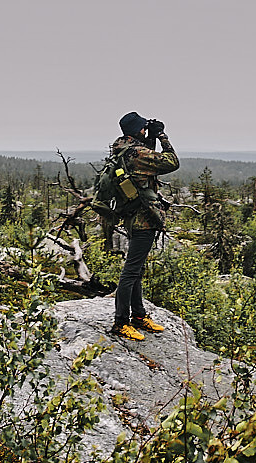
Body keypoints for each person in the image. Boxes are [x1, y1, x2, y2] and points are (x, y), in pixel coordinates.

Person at [107, 111, 177, 341]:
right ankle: (121, 322)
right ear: (139, 130)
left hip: (132, 214)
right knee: (131, 271)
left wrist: (149, 138)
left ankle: (138, 316)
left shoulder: (123, 149)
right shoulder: (138, 153)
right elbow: (171, 162)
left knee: (136, 269)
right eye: (143, 129)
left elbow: (144, 155)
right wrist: (163, 136)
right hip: (143, 218)